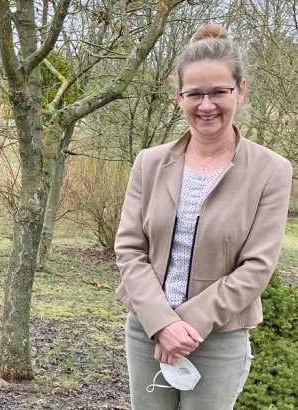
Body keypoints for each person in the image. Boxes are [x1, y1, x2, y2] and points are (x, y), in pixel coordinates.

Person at [114, 24, 292, 409]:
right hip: (148, 332)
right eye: (195, 93)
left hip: (218, 338)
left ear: (240, 90)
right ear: (178, 96)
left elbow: (257, 266)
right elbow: (129, 248)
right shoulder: (150, 163)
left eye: (218, 92)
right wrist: (162, 322)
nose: (206, 105)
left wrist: (188, 324)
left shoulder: (271, 171)